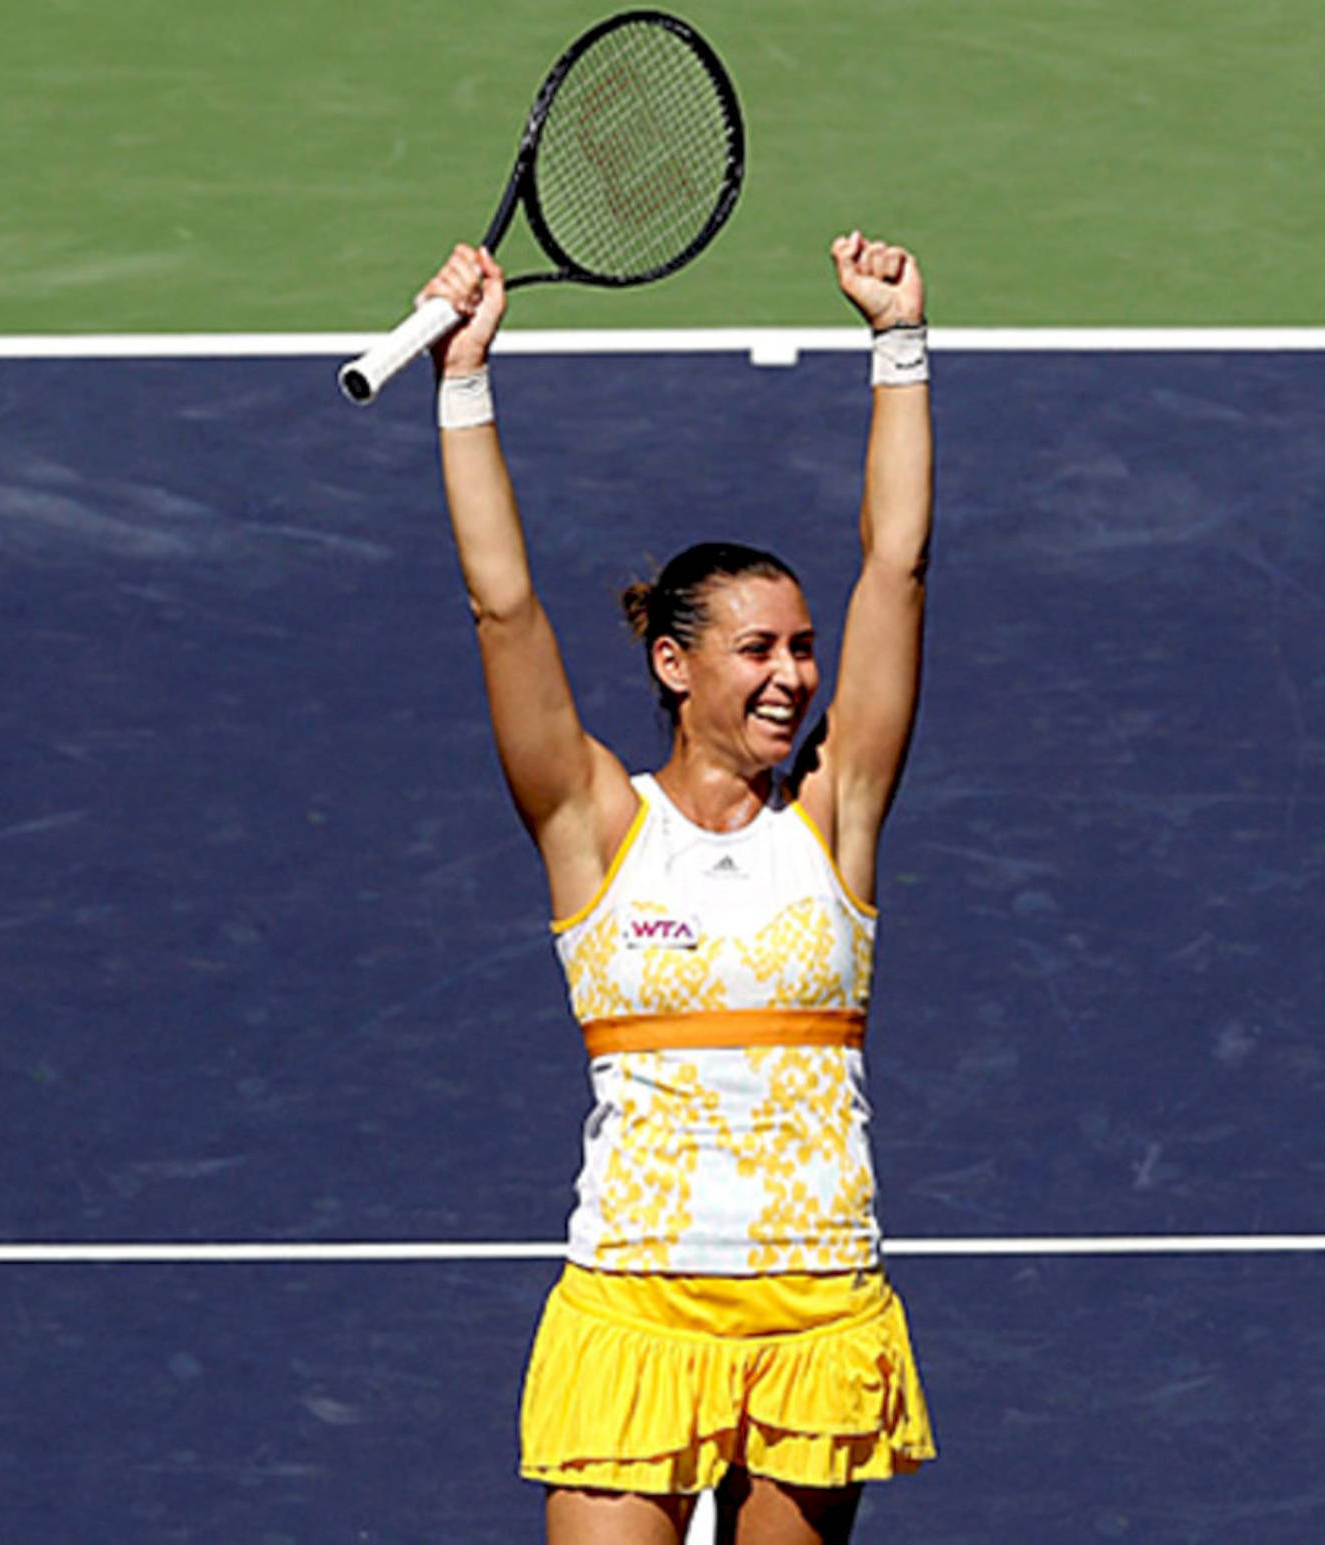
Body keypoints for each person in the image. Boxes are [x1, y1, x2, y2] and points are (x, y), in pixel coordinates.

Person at [418, 229, 936, 1545]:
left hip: (815, 1309)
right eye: (757, 648)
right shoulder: (593, 826)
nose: (793, 675)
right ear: (671, 663)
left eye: (805, 650)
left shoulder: (837, 815)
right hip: (634, 1307)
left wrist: (900, 346)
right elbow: (503, 609)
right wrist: (465, 385)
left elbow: (899, 568)